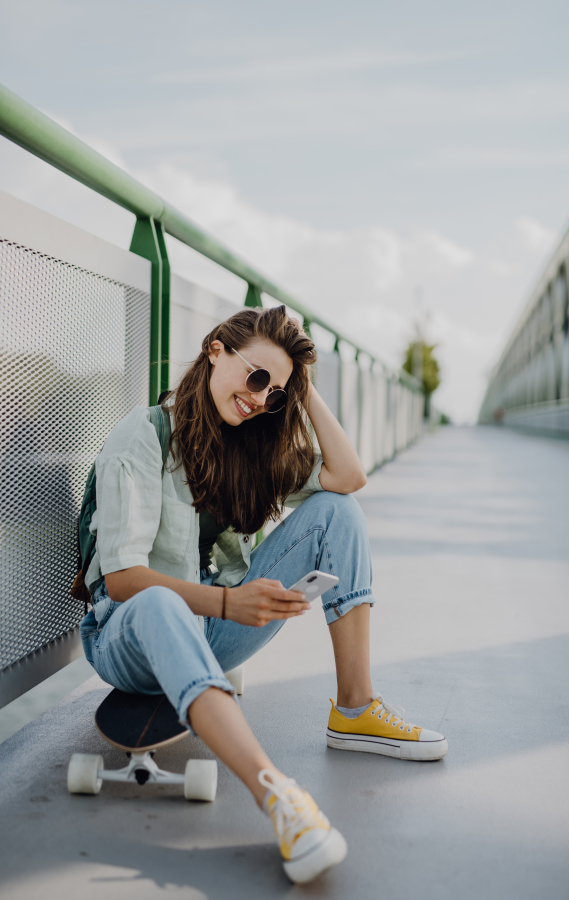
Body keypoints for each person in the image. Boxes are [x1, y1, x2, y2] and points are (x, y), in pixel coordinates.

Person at [79, 305, 447, 884]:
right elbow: (124, 581)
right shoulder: (144, 435)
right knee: (157, 601)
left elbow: (348, 476)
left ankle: (354, 710)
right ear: (216, 350)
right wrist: (229, 604)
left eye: (275, 395)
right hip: (131, 637)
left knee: (337, 512)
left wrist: (299, 389)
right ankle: (279, 797)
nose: (260, 400)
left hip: (212, 632)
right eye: (257, 378)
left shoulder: (253, 446)